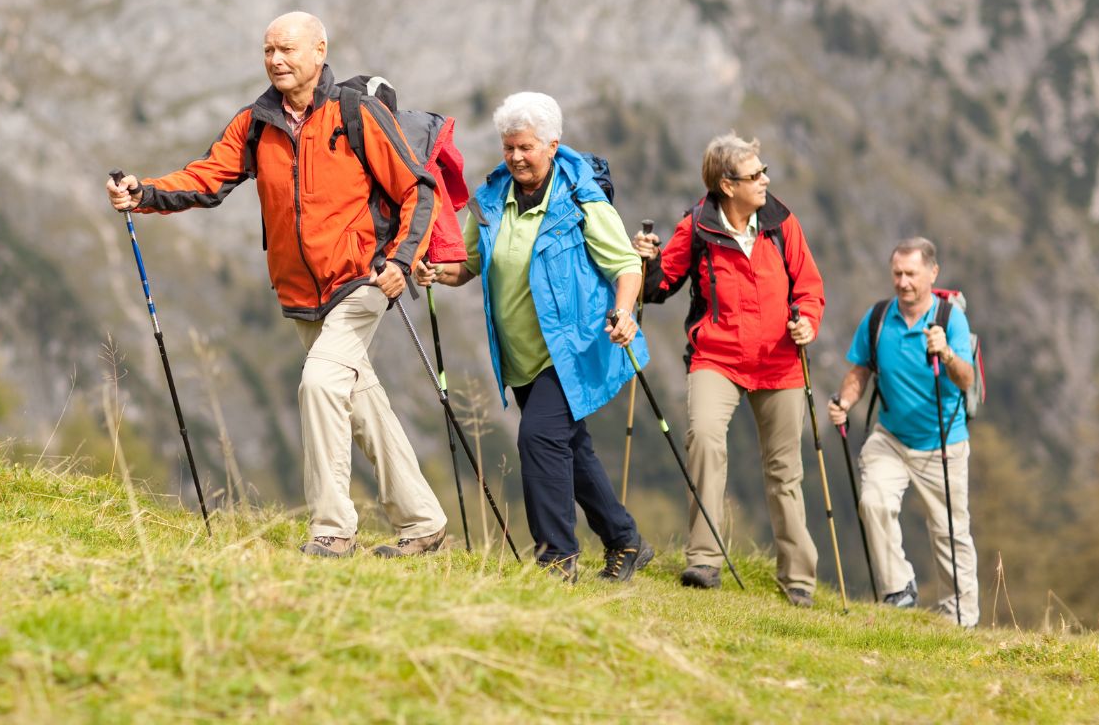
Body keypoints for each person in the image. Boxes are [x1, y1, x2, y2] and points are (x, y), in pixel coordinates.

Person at [105, 11, 449, 559]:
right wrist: (143, 191)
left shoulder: (355, 113)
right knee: (358, 397)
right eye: (268, 51)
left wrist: (402, 261)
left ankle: (333, 530)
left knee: (319, 383)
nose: (276, 60)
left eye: (287, 49)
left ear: (319, 50)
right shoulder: (256, 121)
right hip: (300, 294)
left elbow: (419, 188)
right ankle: (423, 522)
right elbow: (207, 176)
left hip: (362, 280)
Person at [415, 91, 653, 583]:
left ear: (552, 144)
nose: (516, 157)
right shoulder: (489, 201)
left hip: (572, 349)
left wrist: (625, 312)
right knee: (571, 446)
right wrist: (437, 270)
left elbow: (626, 264)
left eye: (525, 147)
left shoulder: (582, 198)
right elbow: (470, 265)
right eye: (509, 148)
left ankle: (556, 562)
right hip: (520, 353)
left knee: (539, 437)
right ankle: (625, 540)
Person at [631, 132, 825, 607]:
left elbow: (810, 286)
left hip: (780, 362)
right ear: (726, 184)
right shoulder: (697, 226)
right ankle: (704, 560)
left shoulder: (781, 223)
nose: (765, 180)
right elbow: (658, 289)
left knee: (785, 472)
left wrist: (808, 323)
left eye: (764, 171)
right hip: (716, 357)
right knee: (704, 439)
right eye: (755, 175)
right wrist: (646, 262)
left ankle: (797, 578)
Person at [827, 237, 979, 626]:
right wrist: (845, 403)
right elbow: (860, 370)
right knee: (874, 501)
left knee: (949, 532)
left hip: (943, 441)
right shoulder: (878, 317)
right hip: (891, 436)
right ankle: (899, 590)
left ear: (932, 273)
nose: (903, 282)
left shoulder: (950, 319)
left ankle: (960, 619)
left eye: (911, 273)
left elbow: (967, 379)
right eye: (897, 273)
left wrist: (945, 353)